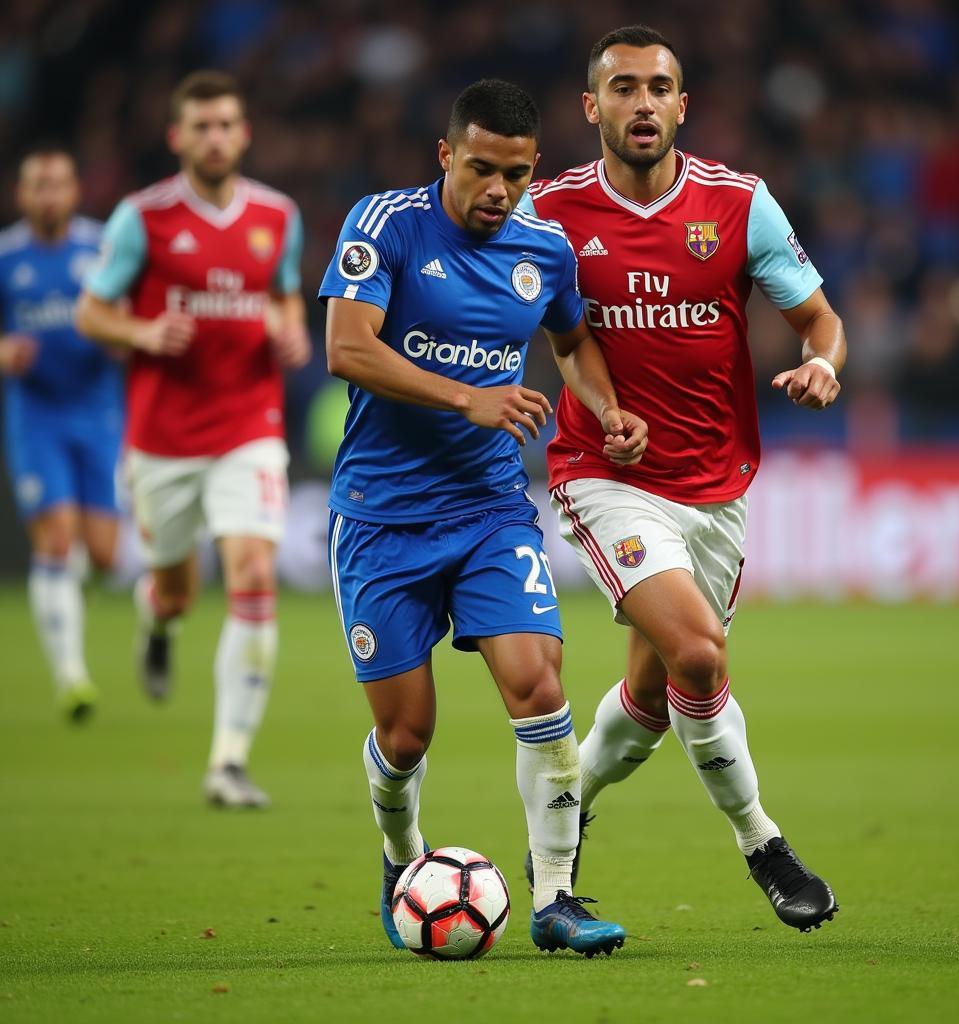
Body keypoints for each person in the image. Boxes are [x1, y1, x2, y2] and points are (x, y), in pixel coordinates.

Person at [523, 25, 845, 932]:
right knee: (701, 652)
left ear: (682, 105)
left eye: (658, 88)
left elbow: (821, 320)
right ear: (592, 107)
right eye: (622, 89)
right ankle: (763, 843)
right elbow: (555, 334)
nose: (642, 104)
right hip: (604, 476)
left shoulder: (739, 205)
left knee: (655, 700)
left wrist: (824, 364)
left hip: (718, 485)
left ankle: (569, 803)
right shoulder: (548, 215)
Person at [319, 79, 648, 957]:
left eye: (515, 173)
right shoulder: (385, 223)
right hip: (381, 517)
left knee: (539, 687)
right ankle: (401, 858)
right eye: (480, 170)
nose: (498, 190)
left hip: (491, 509)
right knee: (406, 730)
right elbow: (346, 348)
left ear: (533, 169)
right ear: (446, 157)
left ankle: (556, 898)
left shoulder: (546, 246)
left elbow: (573, 341)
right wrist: (469, 395)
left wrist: (606, 409)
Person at [75, 70, 311, 807]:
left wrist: (291, 329)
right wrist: (142, 329)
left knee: (250, 573)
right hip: (162, 440)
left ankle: (229, 762)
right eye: (201, 126)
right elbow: (91, 312)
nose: (215, 138)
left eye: (227, 125)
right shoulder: (141, 219)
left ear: (244, 134)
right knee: (178, 589)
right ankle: (157, 616)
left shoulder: (278, 213)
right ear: (178, 137)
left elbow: (283, 290)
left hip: (249, 427)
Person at [0, 148, 122, 721]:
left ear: (75, 191)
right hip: (36, 415)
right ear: (21, 195)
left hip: (99, 413)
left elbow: (127, 318)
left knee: (103, 553)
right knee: (54, 538)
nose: (47, 195)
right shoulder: (6, 258)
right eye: (36, 185)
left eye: (57, 184)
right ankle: (71, 677)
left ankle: (74, 587)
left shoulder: (102, 248)